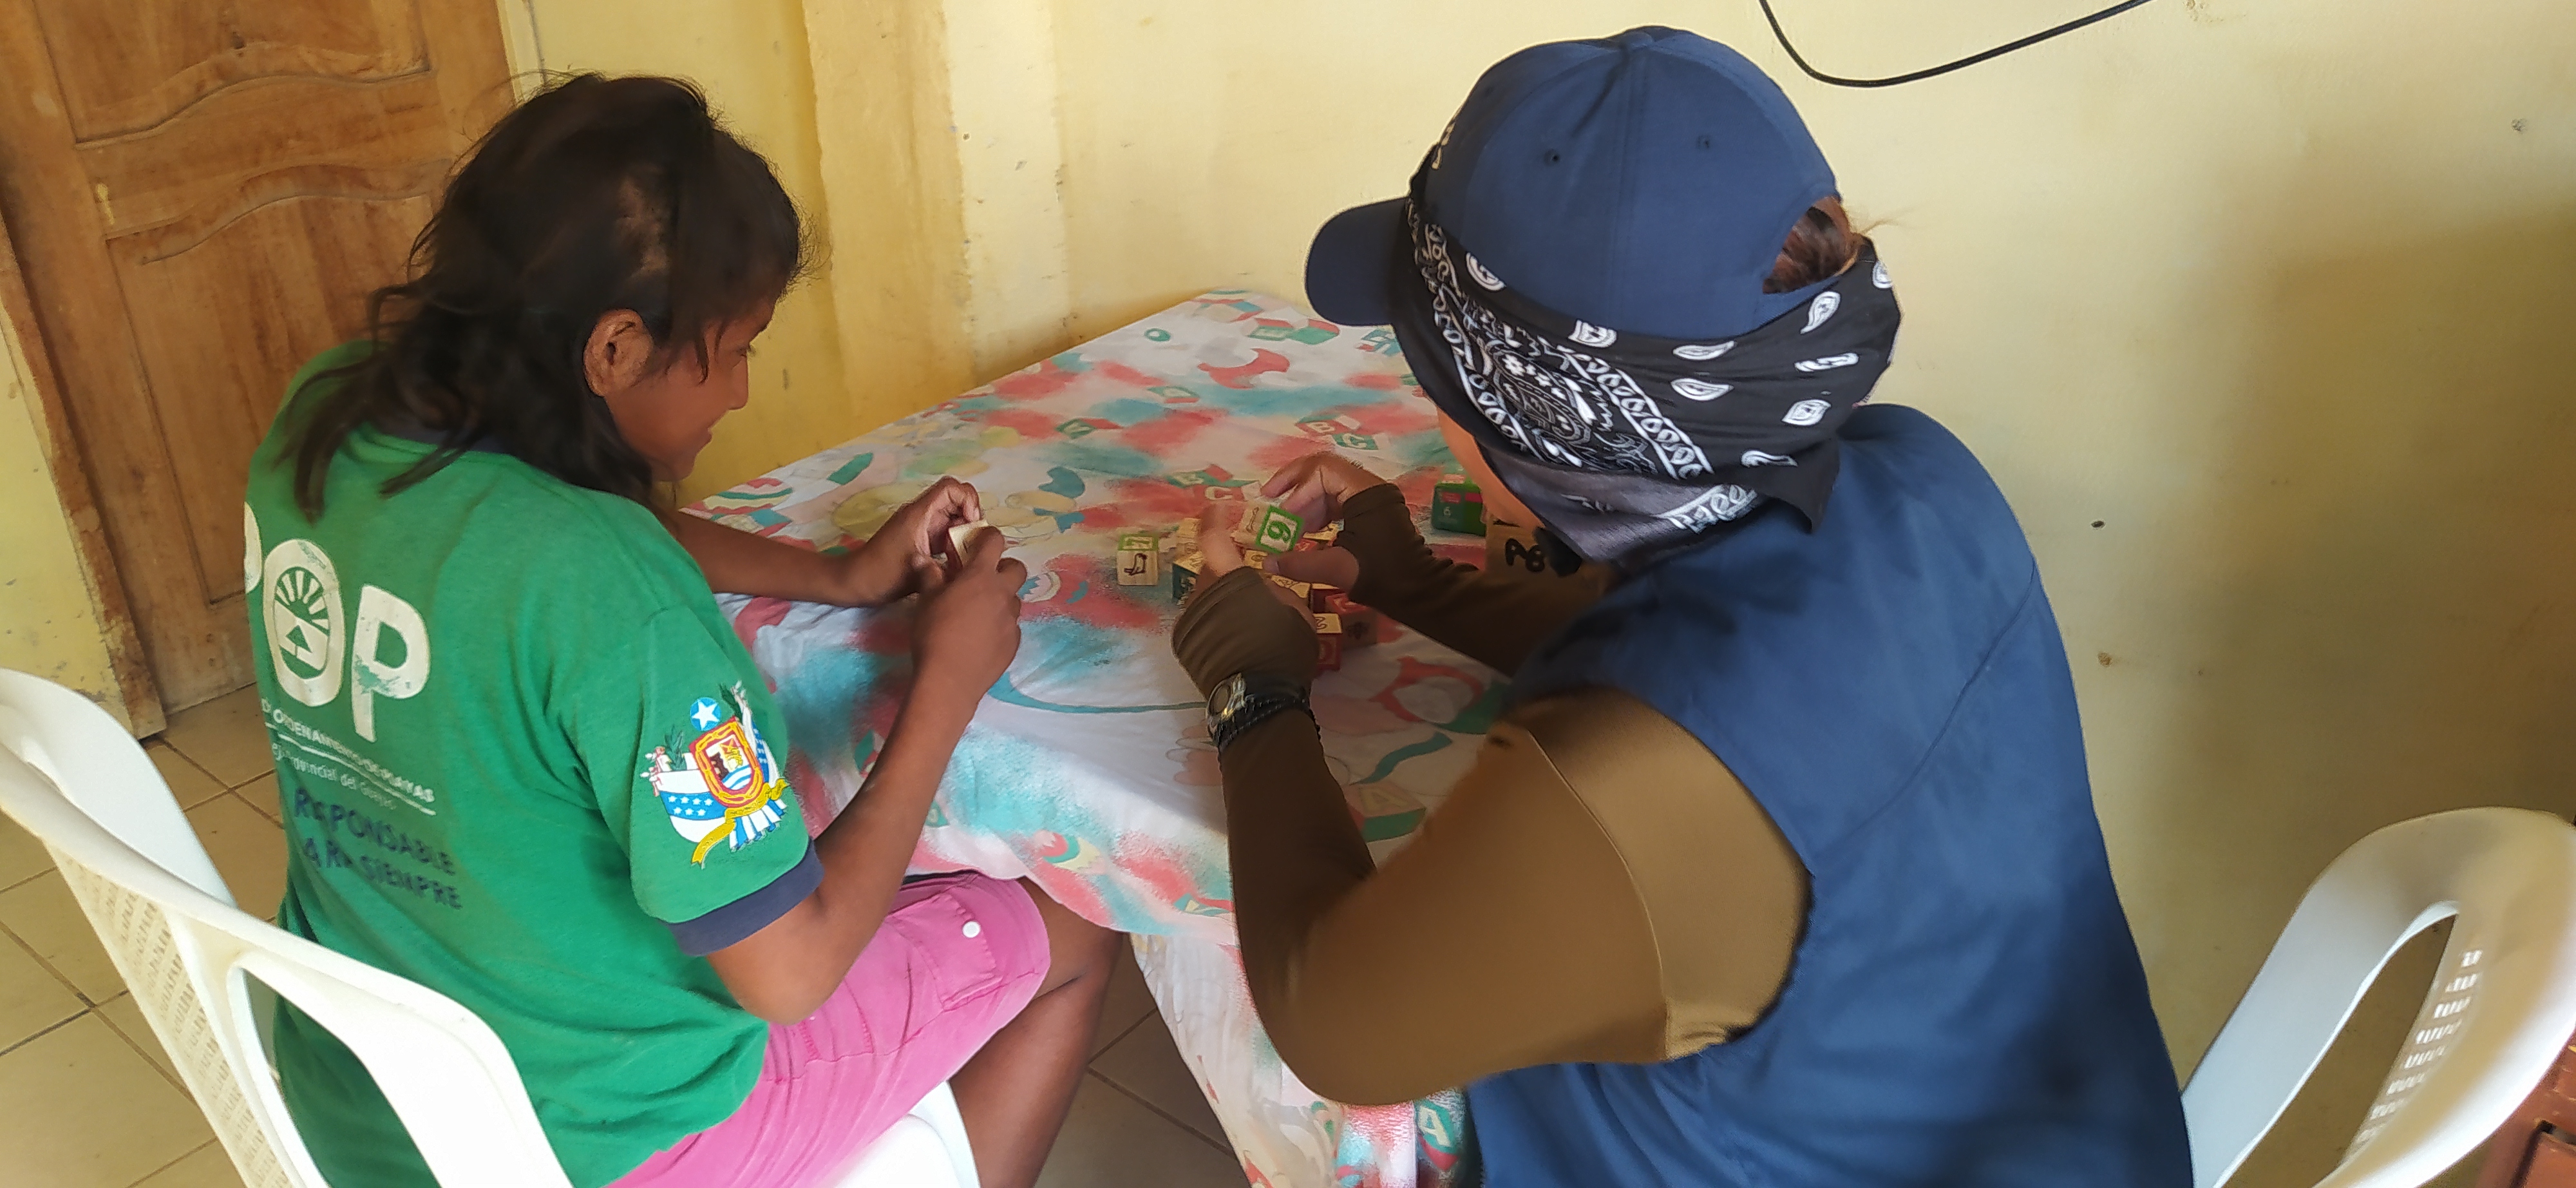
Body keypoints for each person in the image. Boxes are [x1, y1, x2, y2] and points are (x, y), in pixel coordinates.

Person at [1170, 28, 2191, 1187]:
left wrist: (1253, 683)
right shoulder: (1921, 476)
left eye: (1429, 367)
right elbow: (1724, 665)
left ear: (1530, 416)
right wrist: (1412, 581)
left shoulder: (1624, 792)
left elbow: (1333, 1026)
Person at [242, 75, 1117, 1188]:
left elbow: (543, 535)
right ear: (615, 350)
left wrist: (838, 577)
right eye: (737, 348)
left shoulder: (334, 417)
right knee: (1073, 919)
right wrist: (946, 682)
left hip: (362, 1095)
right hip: (610, 1140)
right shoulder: (619, 602)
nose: (741, 391)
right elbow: (793, 973)